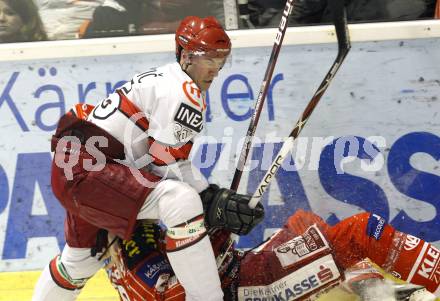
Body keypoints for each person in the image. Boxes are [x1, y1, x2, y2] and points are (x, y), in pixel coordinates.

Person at [32, 16, 264, 301]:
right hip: (89, 173)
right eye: (208, 59)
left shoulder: (166, 78)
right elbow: (162, 162)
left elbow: (153, 161)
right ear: (185, 55)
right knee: (180, 201)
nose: (214, 69)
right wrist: (212, 198)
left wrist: (212, 197)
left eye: (221, 60)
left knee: (78, 263)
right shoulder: (184, 92)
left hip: (78, 170)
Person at [104, 210, 440, 300]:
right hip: (249, 289)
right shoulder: (131, 247)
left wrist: (215, 223)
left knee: (302, 224)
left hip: (241, 272)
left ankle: (366, 285)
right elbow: (176, 294)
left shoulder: (127, 228)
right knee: (363, 231)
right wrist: (217, 235)